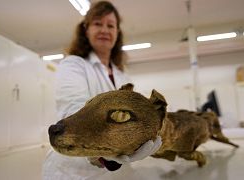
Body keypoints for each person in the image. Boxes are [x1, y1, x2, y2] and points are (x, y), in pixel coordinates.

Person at [42, 1, 161, 179]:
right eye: (98, 23)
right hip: (72, 171)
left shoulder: (122, 76)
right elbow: (74, 108)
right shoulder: (73, 64)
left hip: (112, 172)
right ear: (86, 29)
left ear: (117, 33)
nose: (105, 30)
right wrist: (109, 151)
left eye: (111, 25)